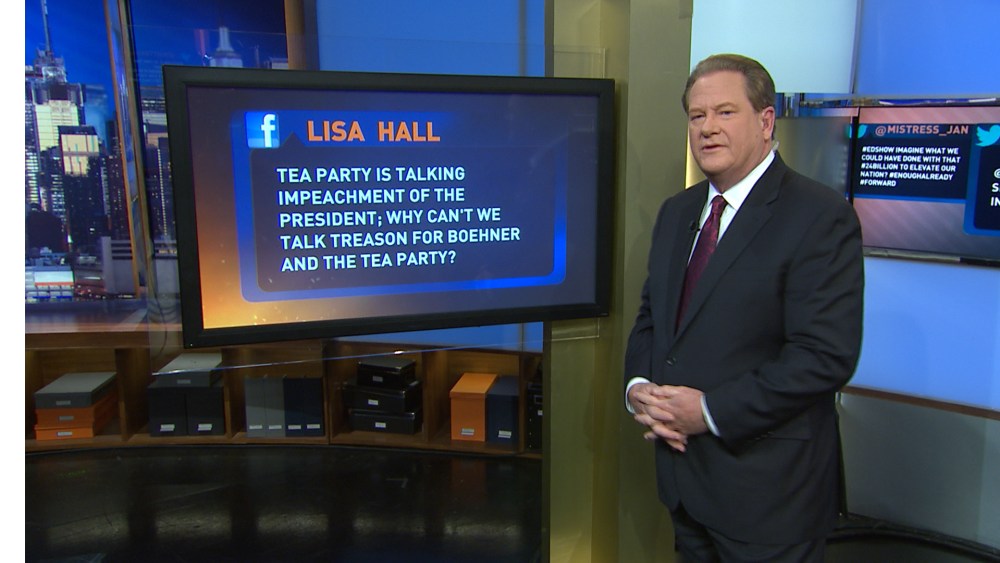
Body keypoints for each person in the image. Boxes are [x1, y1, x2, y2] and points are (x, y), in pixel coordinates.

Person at [624, 54, 864, 562]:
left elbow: (823, 356)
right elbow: (653, 317)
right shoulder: (678, 212)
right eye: (697, 115)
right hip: (685, 483)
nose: (707, 128)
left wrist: (708, 411)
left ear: (766, 120)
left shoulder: (819, 216)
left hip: (770, 495)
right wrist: (640, 388)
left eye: (725, 112)